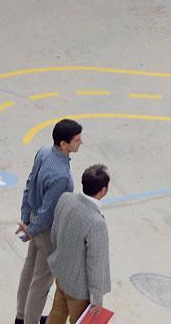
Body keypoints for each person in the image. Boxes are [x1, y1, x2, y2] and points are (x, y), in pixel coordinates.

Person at [15, 118, 83, 324]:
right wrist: (32, 230)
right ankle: (31, 320)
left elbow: (29, 184)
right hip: (46, 230)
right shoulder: (61, 175)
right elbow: (48, 212)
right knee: (42, 282)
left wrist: (26, 220)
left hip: (34, 221)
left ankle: (20, 315)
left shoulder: (44, 152)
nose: (80, 142)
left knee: (29, 269)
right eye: (77, 140)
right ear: (64, 144)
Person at [47, 164, 111, 324]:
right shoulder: (96, 222)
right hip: (79, 289)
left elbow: (54, 233)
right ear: (103, 190)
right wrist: (97, 298)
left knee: (57, 313)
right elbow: (96, 263)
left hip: (62, 275)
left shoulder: (66, 199)